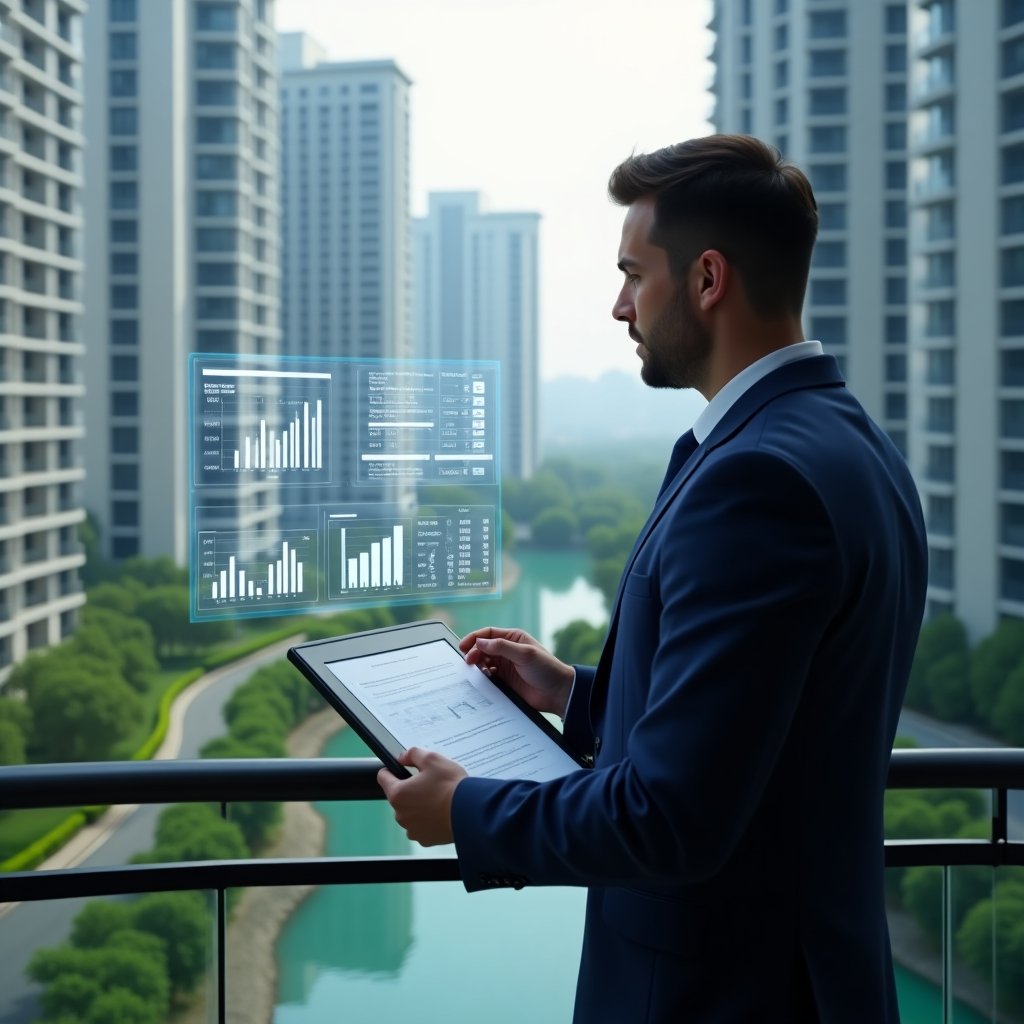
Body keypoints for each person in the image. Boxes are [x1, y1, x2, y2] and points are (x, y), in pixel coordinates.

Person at [378, 134, 928, 1023]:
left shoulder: (758, 482)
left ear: (708, 280)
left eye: (635, 274)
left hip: (724, 994)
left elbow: (672, 817)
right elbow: (774, 726)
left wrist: (467, 812)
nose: (619, 305)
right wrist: (576, 694)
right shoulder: (850, 445)